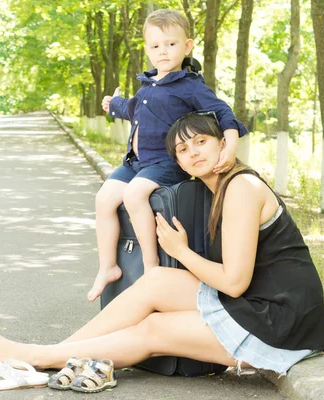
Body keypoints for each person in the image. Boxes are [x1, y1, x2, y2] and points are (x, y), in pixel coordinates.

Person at [0, 113, 324, 379]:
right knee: (156, 281)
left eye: (201, 141)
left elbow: (235, 282)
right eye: (182, 148)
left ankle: (39, 359)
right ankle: (52, 354)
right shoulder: (214, 191)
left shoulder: (241, 187)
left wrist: (182, 252)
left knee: (154, 329)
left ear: (223, 143)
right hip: (257, 303)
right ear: (177, 163)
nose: (192, 152)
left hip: (281, 323)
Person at [88, 9, 248, 302]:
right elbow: (132, 109)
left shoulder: (189, 85)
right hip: (135, 163)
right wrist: (112, 104)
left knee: (135, 195)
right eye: (155, 46)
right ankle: (108, 266)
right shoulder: (148, 84)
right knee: (104, 199)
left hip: (165, 164)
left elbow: (222, 111)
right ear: (147, 49)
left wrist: (231, 141)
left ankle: (151, 267)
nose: (162, 51)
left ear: (186, 46)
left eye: (170, 44)